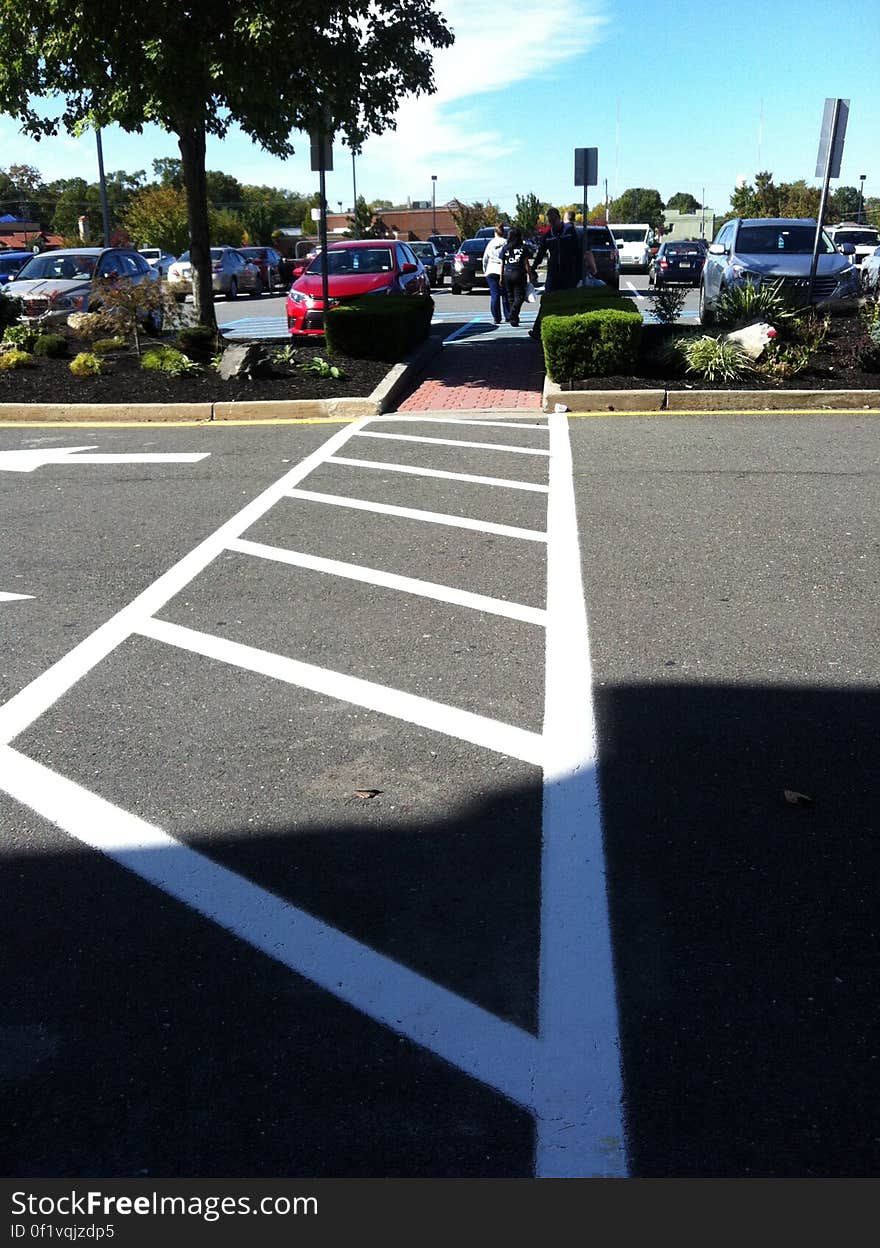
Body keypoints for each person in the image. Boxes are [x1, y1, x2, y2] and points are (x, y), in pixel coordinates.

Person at [528, 207, 598, 338]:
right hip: (554, 274)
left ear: (559, 219)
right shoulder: (548, 236)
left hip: (570, 274)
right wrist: (532, 270)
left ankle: (572, 331)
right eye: (550, 221)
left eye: (554, 220)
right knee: (547, 301)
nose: (552, 223)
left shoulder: (571, 232)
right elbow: (540, 255)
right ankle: (537, 330)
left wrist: (587, 269)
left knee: (570, 302)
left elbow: (583, 251)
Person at [499, 226, 533, 328]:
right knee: (519, 297)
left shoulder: (505, 248)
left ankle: (514, 318)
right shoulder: (523, 248)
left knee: (511, 297)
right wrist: (530, 275)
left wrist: (501, 277)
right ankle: (513, 314)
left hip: (507, 273)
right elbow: (526, 263)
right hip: (518, 273)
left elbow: (502, 263)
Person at [481, 223, 510, 325]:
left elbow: (485, 259)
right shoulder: (506, 243)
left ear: (495, 233)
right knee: (505, 294)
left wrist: (485, 271)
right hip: (503, 270)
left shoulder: (490, 244)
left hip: (491, 270)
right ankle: (508, 315)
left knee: (494, 295)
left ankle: (496, 318)